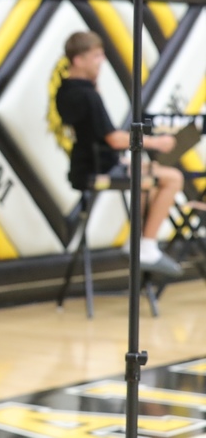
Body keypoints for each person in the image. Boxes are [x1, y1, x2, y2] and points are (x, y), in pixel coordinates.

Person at [55, 30, 184, 278]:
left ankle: (137, 242)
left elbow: (93, 134)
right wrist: (156, 142)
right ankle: (146, 245)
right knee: (173, 178)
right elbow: (113, 138)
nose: (101, 61)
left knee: (148, 182)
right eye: (96, 56)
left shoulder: (66, 91)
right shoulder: (86, 94)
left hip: (89, 165)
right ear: (78, 60)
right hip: (99, 169)